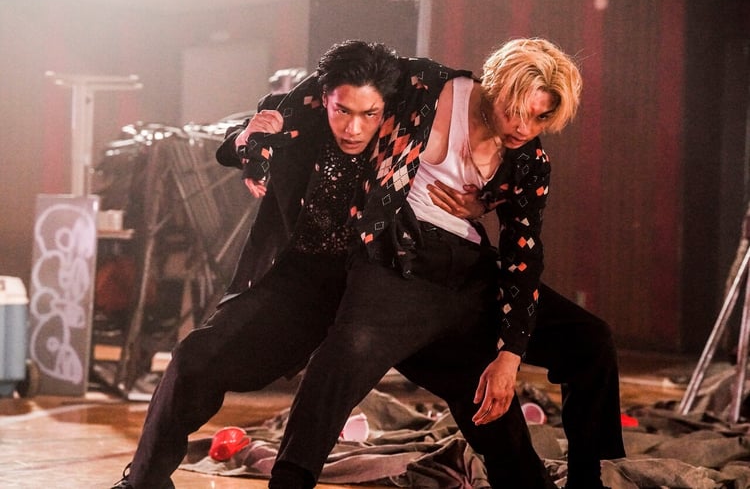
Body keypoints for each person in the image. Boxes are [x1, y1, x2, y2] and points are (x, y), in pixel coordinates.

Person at [111, 40, 553, 489]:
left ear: (388, 108)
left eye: (369, 114)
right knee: (195, 357)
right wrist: (250, 144)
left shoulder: (407, 131)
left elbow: (495, 174)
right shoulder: (307, 121)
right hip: (305, 281)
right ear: (323, 100)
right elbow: (250, 134)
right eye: (342, 111)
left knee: (476, 386)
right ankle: (143, 482)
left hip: (386, 285)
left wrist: (483, 203)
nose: (354, 128)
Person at [268, 38, 623, 489]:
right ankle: (289, 480)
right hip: (401, 259)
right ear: (493, 86)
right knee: (346, 353)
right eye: (516, 111)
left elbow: (523, 254)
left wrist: (510, 355)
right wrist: (256, 132)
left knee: (590, 339)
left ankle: (587, 481)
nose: (524, 128)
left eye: (540, 118)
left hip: (470, 273)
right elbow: (330, 84)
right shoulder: (426, 85)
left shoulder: (529, 161)